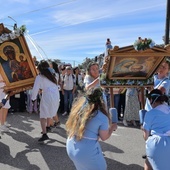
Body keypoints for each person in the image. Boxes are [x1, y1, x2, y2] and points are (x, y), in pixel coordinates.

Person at [66, 87, 117, 170]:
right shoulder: (101, 116)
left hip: (71, 145)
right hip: (84, 150)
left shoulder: (79, 109)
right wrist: (112, 128)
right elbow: (104, 137)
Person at [31, 60, 60, 142]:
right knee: (50, 112)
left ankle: (44, 134)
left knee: (43, 115)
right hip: (56, 96)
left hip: (47, 96)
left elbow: (35, 89)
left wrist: (33, 98)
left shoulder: (39, 77)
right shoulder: (54, 75)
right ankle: (48, 127)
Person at [142, 89, 170, 170]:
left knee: (148, 162)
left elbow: (145, 137)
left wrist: (143, 129)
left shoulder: (150, 113)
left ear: (151, 100)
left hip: (157, 144)